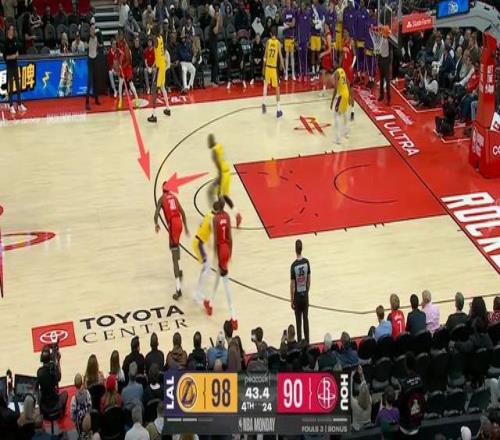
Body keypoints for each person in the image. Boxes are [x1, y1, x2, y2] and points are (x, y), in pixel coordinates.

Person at [204, 200, 237, 329]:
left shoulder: (215, 219)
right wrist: (230, 254)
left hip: (221, 249)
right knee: (218, 276)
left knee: (226, 283)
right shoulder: (227, 216)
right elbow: (230, 237)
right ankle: (210, 303)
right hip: (227, 248)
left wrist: (216, 255)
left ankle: (234, 317)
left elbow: (217, 239)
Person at [154, 182, 189, 299]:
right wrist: (186, 227)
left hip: (173, 225)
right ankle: (179, 270)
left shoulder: (161, 199)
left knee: (174, 257)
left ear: (162, 189)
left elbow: (156, 215)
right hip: (179, 223)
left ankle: (178, 289)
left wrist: (156, 224)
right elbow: (183, 212)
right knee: (174, 245)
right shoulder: (174, 197)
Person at [208, 134, 242, 226]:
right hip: (227, 172)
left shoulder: (214, 151)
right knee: (225, 196)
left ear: (211, 142)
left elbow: (218, 164)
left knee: (218, 195)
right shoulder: (219, 146)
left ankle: (219, 218)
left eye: (209, 142)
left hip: (222, 174)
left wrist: (220, 178)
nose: (208, 144)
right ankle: (237, 214)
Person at [192, 203, 216, 304]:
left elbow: (200, 223)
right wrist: (210, 242)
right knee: (207, 269)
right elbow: (212, 228)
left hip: (197, 241)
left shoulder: (208, 214)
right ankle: (198, 293)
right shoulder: (213, 218)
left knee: (206, 268)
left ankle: (198, 291)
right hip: (199, 244)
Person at [148, 25, 172, 123]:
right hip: (162, 66)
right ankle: (168, 109)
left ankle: (154, 115)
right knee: (162, 88)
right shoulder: (161, 37)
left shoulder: (156, 40)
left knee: (154, 91)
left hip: (160, 68)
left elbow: (151, 36)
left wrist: (149, 29)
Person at [398, 353, 425, 438]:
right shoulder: (421, 380)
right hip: (417, 422)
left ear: (405, 366)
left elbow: (400, 405)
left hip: (406, 426)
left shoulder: (404, 384)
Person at [37, 345, 68, 418]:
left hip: (45, 406)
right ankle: (62, 414)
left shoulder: (39, 372)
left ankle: (42, 414)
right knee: (65, 394)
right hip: (54, 404)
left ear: (41, 358)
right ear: (50, 358)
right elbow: (59, 378)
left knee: (39, 392)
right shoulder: (53, 370)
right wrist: (58, 362)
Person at [290, 239, 311, 343]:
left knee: (298, 322)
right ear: (302, 249)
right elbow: (309, 280)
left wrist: (292, 300)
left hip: (297, 297)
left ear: (295, 250)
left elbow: (292, 285)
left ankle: (299, 345)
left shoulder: (293, 266)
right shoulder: (307, 262)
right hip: (305, 295)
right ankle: (307, 342)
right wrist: (306, 292)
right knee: (305, 320)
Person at [262, 26, 285, 118]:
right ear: (277, 34)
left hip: (267, 67)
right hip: (273, 68)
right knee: (277, 88)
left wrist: (263, 67)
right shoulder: (278, 43)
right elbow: (280, 56)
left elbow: (265, 56)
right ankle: (278, 110)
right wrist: (283, 66)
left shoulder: (268, 42)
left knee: (265, 85)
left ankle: (264, 103)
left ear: (270, 34)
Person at [3, 24, 26, 115]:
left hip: (15, 64)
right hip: (9, 66)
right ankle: (11, 105)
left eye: (13, 30)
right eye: (11, 30)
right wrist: (12, 56)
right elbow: (5, 57)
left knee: (18, 84)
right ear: (8, 31)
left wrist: (16, 55)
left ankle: (19, 104)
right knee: (11, 86)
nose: (12, 31)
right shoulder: (5, 42)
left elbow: (18, 51)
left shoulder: (15, 40)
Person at [116, 29, 139, 109]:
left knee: (130, 84)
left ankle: (136, 98)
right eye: (118, 35)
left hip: (127, 67)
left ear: (122, 36)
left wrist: (122, 67)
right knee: (120, 84)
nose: (119, 37)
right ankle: (120, 100)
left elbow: (128, 60)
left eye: (120, 35)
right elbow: (118, 56)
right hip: (122, 66)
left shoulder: (125, 46)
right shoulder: (118, 45)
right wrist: (118, 65)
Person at [330, 65, 350, 144]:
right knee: (345, 113)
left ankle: (338, 139)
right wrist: (349, 95)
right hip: (346, 93)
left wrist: (332, 101)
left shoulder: (336, 73)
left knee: (336, 115)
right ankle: (346, 133)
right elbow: (348, 82)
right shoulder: (342, 70)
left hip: (341, 95)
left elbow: (335, 89)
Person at [70, 373, 92, 438]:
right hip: (87, 419)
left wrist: (75, 421)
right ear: (82, 382)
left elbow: (72, 414)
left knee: (81, 435)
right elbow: (90, 405)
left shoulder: (74, 399)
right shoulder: (87, 393)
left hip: (79, 423)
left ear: (75, 385)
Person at [351, 366, 371, 431]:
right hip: (367, 430)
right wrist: (361, 375)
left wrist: (351, 376)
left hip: (356, 431)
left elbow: (349, 391)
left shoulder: (354, 404)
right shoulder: (370, 400)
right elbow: (366, 390)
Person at [86, 24, 101, 111]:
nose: (93, 31)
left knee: (96, 81)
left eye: (94, 29)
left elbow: (97, 45)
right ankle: (87, 103)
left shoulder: (96, 38)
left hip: (95, 60)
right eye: (91, 29)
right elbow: (91, 35)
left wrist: (99, 47)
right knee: (89, 82)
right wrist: (93, 31)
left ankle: (96, 99)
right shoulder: (89, 37)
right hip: (90, 61)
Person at [341, 29, 356, 120]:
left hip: (349, 69)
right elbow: (343, 55)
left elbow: (355, 55)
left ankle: (352, 111)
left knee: (351, 91)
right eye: (343, 33)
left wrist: (352, 66)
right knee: (344, 90)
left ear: (348, 33)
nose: (344, 34)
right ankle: (345, 109)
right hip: (344, 69)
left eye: (345, 33)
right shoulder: (343, 42)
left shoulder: (351, 42)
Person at [310, 0, 325, 81]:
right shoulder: (311, 8)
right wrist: (314, 23)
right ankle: (313, 71)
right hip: (312, 34)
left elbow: (322, 21)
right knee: (312, 53)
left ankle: (317, 71)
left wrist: (317, 24)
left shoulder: (321, 8)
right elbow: (310, 20)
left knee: (318, 54)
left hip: (318, 35)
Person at [296, 2, 311, 81]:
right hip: (299, 40)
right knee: (300, 58)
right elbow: (296, 28)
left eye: (303, 6)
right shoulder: (298, 15)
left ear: (305, 7)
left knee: (305, 58)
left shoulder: (307, 15)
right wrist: (296, 40)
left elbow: (308, 28)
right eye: (301, 6)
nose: (302, 7)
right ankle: (301, 74)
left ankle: (305, 74)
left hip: (305, 40)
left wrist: (308, 39)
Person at [282, 0, 296, 81]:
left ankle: (293, 74)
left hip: (292, 36)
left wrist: (288, 24)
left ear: (290, 3)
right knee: (286, 56)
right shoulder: (284, 12)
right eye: (286, 2)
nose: (287, 3)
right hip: (286, 37)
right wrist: (289, 24)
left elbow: (293, 24)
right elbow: (284, 24)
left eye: (288, 2)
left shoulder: (293, 12)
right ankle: (286, 74)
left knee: (292, 56)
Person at [208, 7, 223, 86]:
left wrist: (220, 19)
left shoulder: (215, 21)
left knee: (215, 62)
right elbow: (215, 31)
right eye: (216, 15)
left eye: (218, 15)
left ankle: (215, 80)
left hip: (214, 43)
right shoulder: (213, 21)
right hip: (212, 44)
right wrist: (217, 21)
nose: (218, 16)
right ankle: (213, 81)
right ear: (214, 15)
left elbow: (221, 27)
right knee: (215, 62)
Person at [377, 26, 391, 105]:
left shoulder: (388, 41)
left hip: (385, 61)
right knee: (382, 79)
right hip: (381, 60)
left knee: (387, 80)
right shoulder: (382, 39)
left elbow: (389, 53)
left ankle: (388, 98)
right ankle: (381, 95)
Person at [319, 26, 333, 97]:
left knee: (325, 74)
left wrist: (322, 54)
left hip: (327, 57)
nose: (323, 27)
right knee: (326, 74)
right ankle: (324, 90)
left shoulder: (328, 36)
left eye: (325, 25)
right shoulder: (326, 35)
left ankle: (324, 90)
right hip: (325, 57)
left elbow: (330, 50)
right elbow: (326, 47)